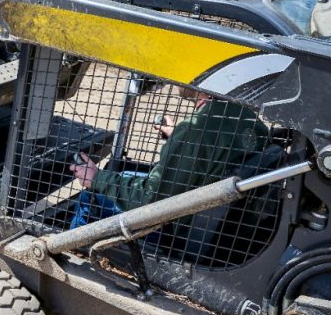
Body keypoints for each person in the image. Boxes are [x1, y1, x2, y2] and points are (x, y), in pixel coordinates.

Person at [70, 88, 269, 232]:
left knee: (91, 196)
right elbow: (215, 155)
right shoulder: (245, 115)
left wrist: (96, 178)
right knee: (124, 175)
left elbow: (150, 200)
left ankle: (72, 254)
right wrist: (177, 138)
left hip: (179, 226)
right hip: (220, 219)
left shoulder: (195, 130)